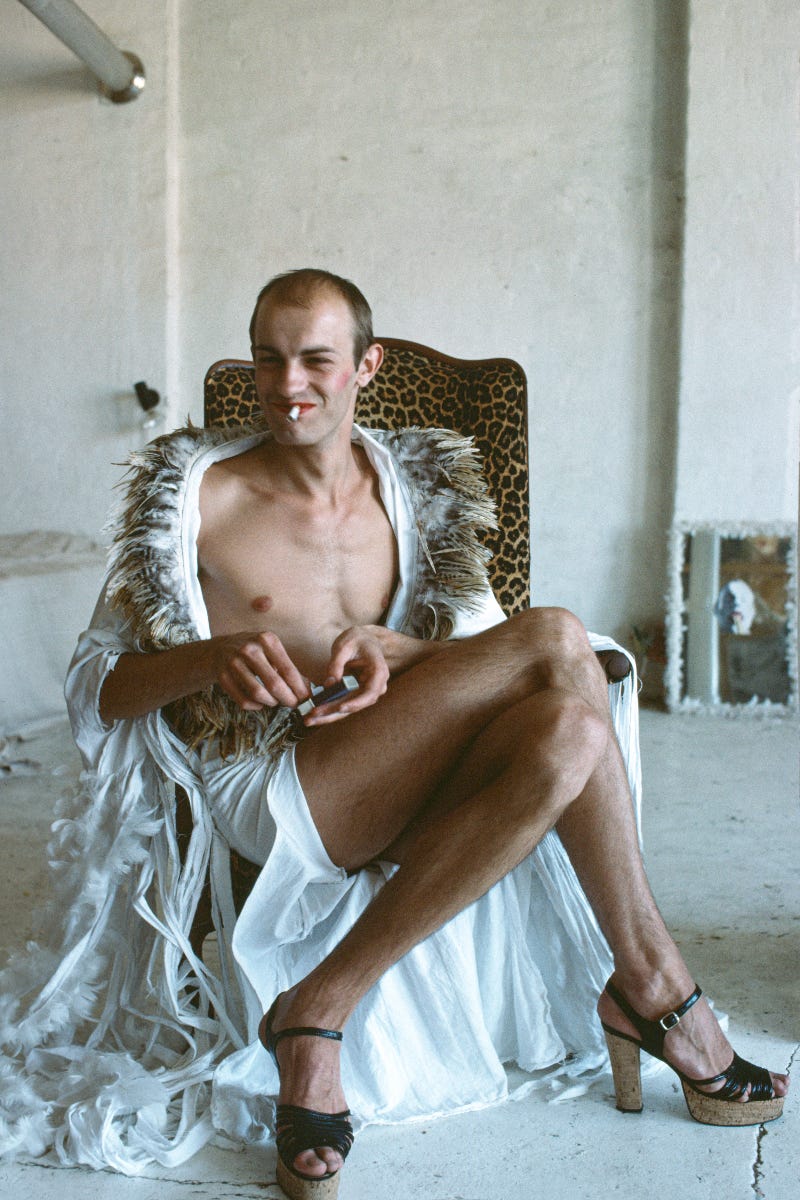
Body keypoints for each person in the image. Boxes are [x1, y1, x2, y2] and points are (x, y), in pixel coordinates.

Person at [0, 270, 787, 1196]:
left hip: (405, 766)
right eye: (268, 358)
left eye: (317, 360)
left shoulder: (412, 491)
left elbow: (496, 659)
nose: (289, 384)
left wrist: (403, 654)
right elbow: (96, 689)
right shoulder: (197, 497)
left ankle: (319, 1005)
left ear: (367, 366)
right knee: (560, 635)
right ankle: (656, 991)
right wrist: (209, 661)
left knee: (571, 729)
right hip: (277, 781)